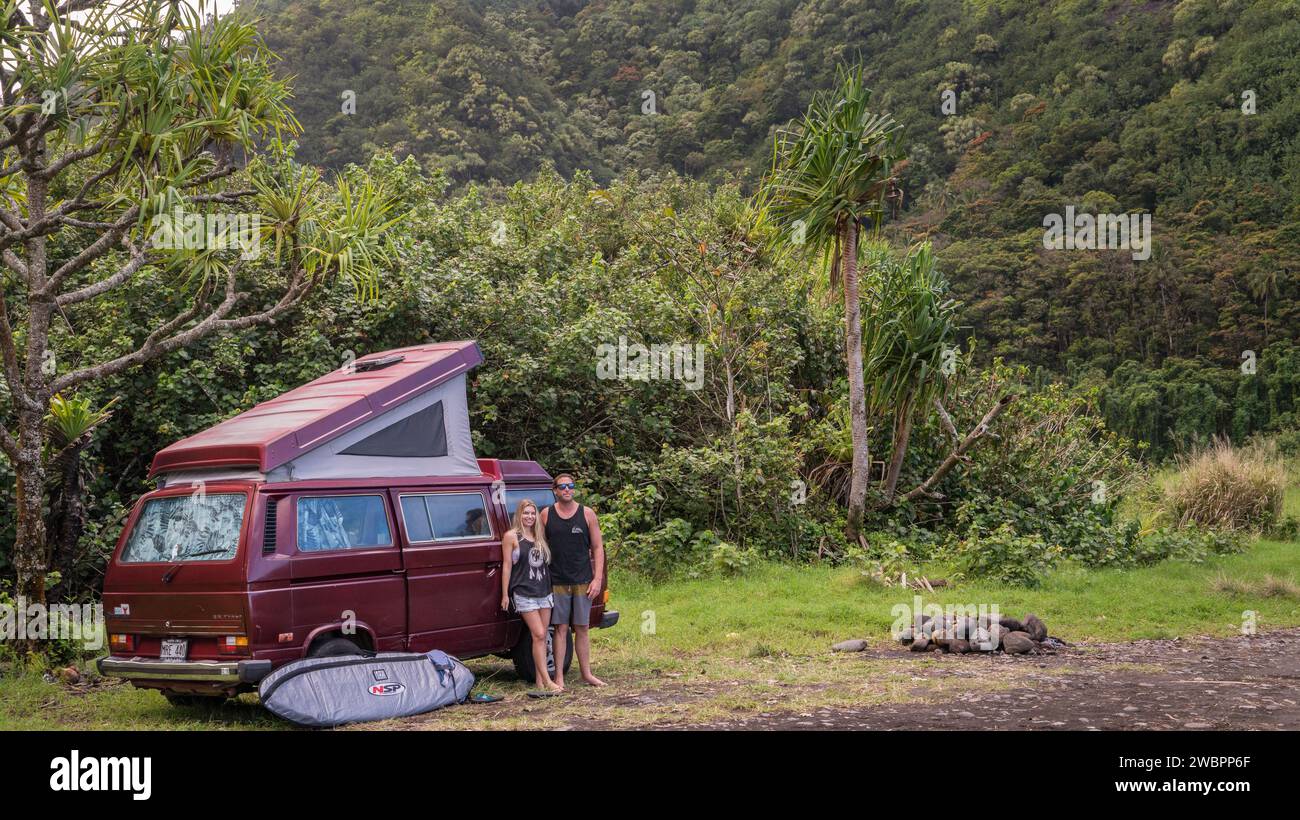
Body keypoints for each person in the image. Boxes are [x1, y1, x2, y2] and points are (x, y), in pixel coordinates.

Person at [540, 473, 606, 687]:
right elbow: (538, 546)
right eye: (562, 487)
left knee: (582, 627)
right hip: (557, 580)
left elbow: (597, 547)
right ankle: (558, 676)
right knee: (560, 628)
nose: (567, 490)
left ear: (574, 489)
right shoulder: (546, 515)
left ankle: (587, 674)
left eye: (570, 486)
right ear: (555, 490)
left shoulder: (587, 514)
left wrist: (597, 579)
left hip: (583, 580)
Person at [500, 499, 562, 693]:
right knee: (539, 634)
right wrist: (505, 594)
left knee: (542, 639)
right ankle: (548, 681)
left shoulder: (539, 536)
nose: (529, 517)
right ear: (519, 515)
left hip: (543, 591)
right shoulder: (511, 537)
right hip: (524, 592)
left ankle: (539, 681)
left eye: (532, 513)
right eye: (526, 513)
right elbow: (507, 567)